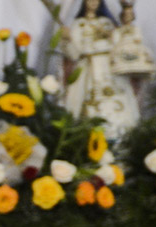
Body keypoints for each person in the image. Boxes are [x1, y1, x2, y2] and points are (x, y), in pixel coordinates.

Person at [60, 0, 140, 138]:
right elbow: (74, 54)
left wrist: (123, 29)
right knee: (88, 104)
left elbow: (119, 44)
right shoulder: (78, 25)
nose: (93, 3)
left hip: (109, 68)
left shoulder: (106, 22)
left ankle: (121, 135)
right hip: (88, 68)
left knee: (117, 100)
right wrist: (67, 39)